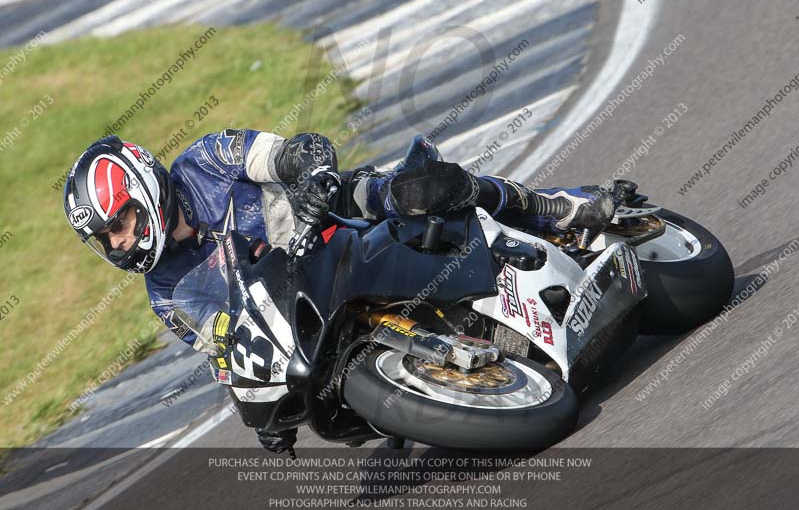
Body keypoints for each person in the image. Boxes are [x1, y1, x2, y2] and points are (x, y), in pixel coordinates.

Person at [63, 130, 614, 452]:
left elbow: (295, 151)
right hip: (300, 312)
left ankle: (553, 208)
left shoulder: (207, 160)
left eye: (120, 223)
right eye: (106, 239)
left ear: (144, 189)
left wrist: (313, 176)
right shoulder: (165, 293)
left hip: (332, 221)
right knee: (320, 404)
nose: (120, 243)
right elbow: (225, 346)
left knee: (422, 190)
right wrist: (257, 405)